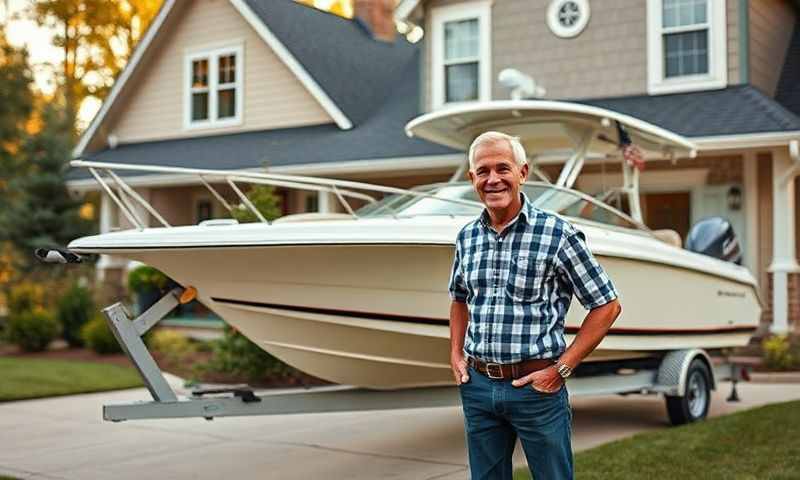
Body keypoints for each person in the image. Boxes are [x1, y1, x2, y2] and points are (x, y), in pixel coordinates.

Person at [448, 131, 627, 479]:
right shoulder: (466, 238)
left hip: (537, 389)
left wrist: (560, 370)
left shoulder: (557, 234)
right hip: (479, 387)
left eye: (503, 168)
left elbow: (607, 305)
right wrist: (456, 354)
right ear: (472, 179)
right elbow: (459, 299)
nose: (493, 179)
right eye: (483, 171)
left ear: (522, 173)